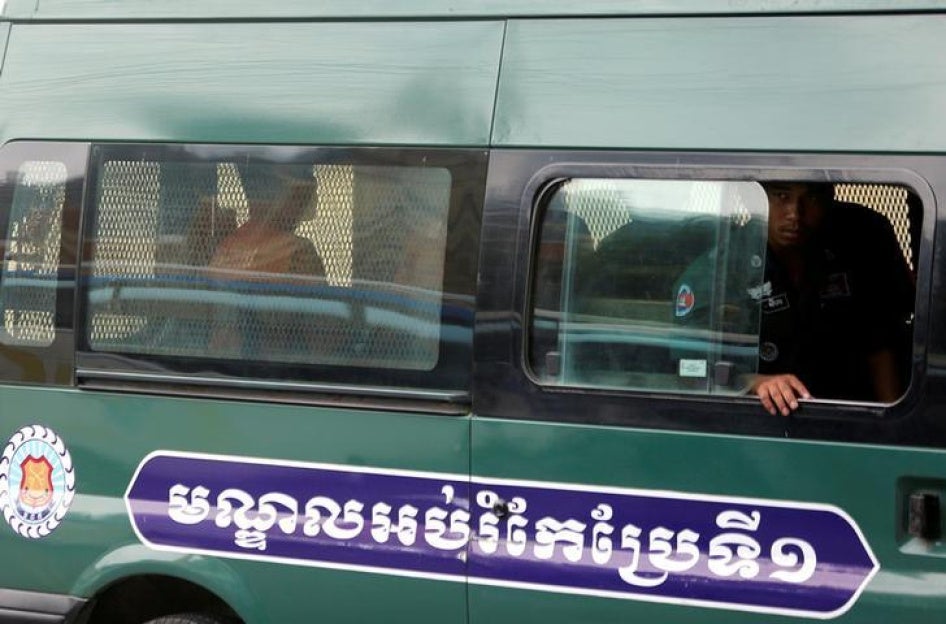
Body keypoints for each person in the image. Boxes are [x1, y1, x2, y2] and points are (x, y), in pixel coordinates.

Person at [749, 182, 913, 416]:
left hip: (852, 412)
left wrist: (892, 419)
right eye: (781, 196)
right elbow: (700, 362)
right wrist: (755, 383)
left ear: (829, 198)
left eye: (812, 198)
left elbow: (881, 343)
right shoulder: (730, 257)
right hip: (763, 417)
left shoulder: (860, 240)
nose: (795, 213)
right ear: (757, 198)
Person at [205, 164, 326, 358]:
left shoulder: (226, 246)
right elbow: (320, 332)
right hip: (276, 361)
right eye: (300, 196)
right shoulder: (297, 251)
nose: (306, 205)